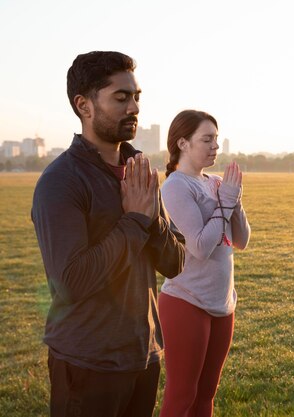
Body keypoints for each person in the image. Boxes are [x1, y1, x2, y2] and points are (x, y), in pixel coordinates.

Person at [31, 51, 186, 417]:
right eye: (120, 98)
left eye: (136, 97)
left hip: (143, 355)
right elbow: (72, 281)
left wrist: (150, 218)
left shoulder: (140, 172)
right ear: (84, 105)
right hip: (87, 363)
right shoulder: (61, 181)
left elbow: (176, 262)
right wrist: (133, 220)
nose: (133, 107)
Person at [158, 110, 251, 417]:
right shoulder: (176, 186)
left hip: (223, 302)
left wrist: (234, 200)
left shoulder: (216, 182)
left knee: (206, 394)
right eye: (206, 139)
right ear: (183, 143)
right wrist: (225, 202)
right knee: (182, 395)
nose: (215, 146)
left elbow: (241, 240)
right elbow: (198, 246)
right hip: (186, 300)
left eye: (216, 139)